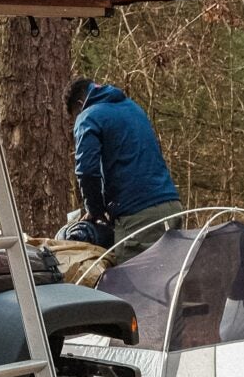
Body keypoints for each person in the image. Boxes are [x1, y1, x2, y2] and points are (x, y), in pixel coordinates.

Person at [67, 78, 182, 260]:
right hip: (172, 206)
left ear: (80, 104)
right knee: (170, 279)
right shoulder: (133, 108)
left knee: (128, 284)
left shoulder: (88, 116)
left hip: (138, 216)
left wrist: (95, 211)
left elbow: (87, 171)